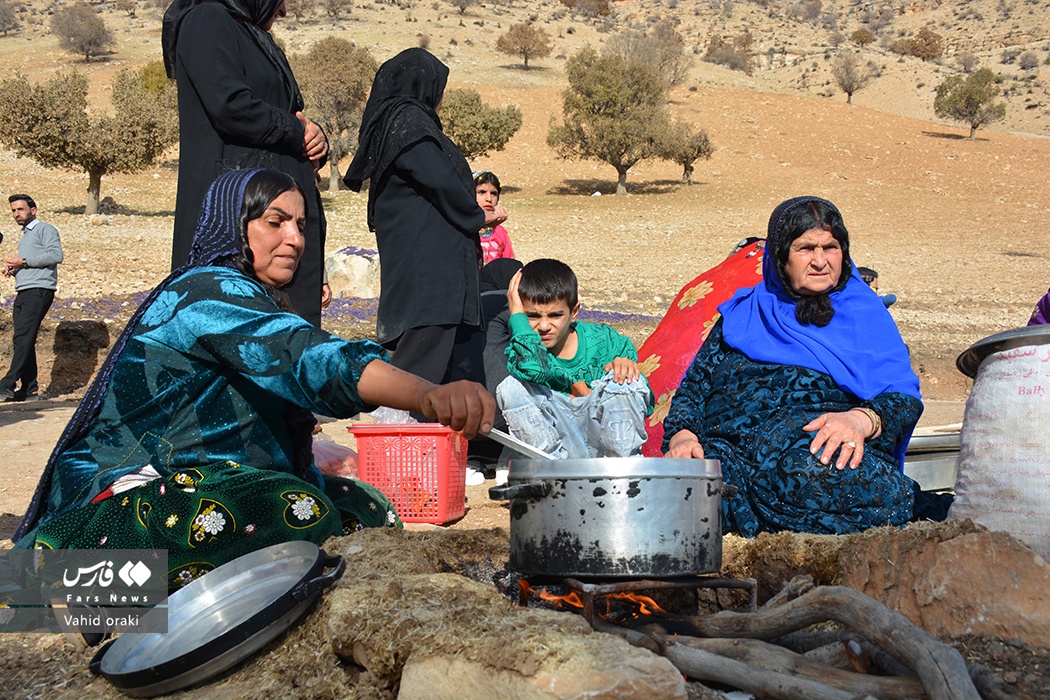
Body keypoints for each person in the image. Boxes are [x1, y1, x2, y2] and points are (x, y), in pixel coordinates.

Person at [12, 170, 494, 588]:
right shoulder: (206, 293)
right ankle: (73, 588)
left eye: (300, 225)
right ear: (233, 227)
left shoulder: (250, 296)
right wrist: (428, 394)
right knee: (288, 509)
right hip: (130, 494)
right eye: (275, 222)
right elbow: (307, 357)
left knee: (364, 510)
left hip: (204, 480)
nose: (295, 239)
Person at [662, 196, 948, 536]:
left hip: (813, 457)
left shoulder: (865, 315)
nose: (820, 261)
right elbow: (694, 389)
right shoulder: (744, 313)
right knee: (674, 497)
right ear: (781, 257)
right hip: (728, 457)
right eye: (805, 248)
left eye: (831, 247)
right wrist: (683, 437)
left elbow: (902, 399)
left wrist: (859, 420)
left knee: (805, 471)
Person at [343, 48, 506, 390]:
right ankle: (397, 442)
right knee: (416, 382)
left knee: (440, 384)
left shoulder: (403, 123)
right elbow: (439, 180)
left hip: (433, 283)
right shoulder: (408, 121)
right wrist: (478, 216)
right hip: (430, 283)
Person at [162, 0, 328, 327]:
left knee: (285, 345)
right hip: (240, 222)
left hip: (276, 218)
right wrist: (297, 132)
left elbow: (292, 114)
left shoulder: (254, 37)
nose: (283, 12)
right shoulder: (206, 19)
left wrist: (315, 137)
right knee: (240, 335)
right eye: (280, 0)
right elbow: (229, 104)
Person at [493, 259, 651, 459]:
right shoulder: (524, 349)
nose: (543, 326)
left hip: (605, 447)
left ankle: (622, 473)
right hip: (558, 452)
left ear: (574, 312)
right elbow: (534, 369)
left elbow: (643, 400)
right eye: (532, 316)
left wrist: (625, 368)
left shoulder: (606, 341)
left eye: (555, 315)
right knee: (511, 386)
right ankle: (549, 473)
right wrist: (516, 316)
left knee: (627, 380)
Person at [1, 195, 63, 402]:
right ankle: (30, 388)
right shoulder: (25, 236)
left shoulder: (45, 229)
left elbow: (56, 255)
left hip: (39, 290)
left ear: (33, 210)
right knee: (22, 338)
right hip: (24, 289)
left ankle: (7, 383)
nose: (16, 214)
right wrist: (15, 268)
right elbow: (29, 262)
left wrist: (24, 261)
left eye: (20, 209)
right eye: (13, 211)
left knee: (23, 337)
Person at [473, 170, 514, 263]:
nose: (489, 199)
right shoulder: (461, 228)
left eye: (493, 193)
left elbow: (508, 264)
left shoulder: (500, 232)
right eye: (481, 192)